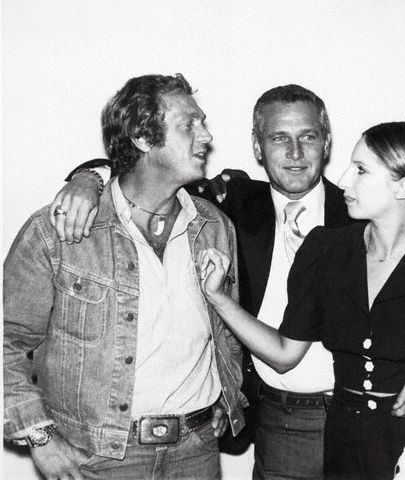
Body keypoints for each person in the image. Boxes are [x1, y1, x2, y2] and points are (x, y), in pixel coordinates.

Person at [47, 86, 405, 480]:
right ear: (258, 147)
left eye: (308, 137)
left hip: (376, 421)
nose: (295, 154)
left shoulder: (367, 207)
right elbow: (143, 173)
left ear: (327, 142)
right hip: (282, 422)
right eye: (279, 138)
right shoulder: (228, 206)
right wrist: (90, 178)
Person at [199, 121, 405, 480]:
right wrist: (218, 298)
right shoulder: (326, 250)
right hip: (342, 445)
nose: (344, 179)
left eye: (361, 170)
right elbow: (283, 354)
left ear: (404, 186)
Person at [3, 73, 246, 479]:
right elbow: (6, 338)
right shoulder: (60, 231)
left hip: (198, 452)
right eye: (190, 124)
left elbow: (226, 332)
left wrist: (226, 394)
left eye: (203, 123)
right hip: (99, 458)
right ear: (142, 137)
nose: (206, 137)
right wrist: (39, 436)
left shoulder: (215, 226)